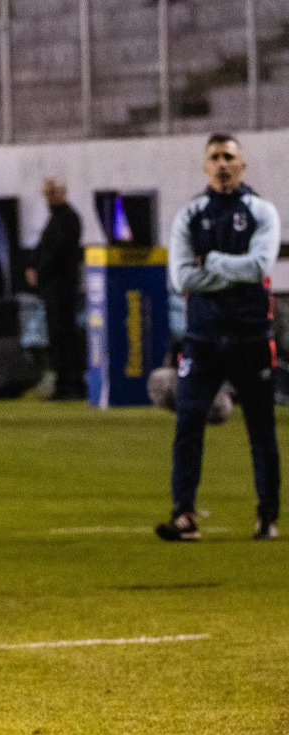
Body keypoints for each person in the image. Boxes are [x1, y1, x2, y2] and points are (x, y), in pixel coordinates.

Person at [157, 133, 281, 543]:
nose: (223, 164)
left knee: (261, 428)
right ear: (205, 166)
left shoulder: (261, 210)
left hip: (250, 336)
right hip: (203, 338)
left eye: (229, 156)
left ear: (242, 164)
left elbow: (260, 265)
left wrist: (209, 261)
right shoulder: (190, 215)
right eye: (215, 157)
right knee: (189, 422)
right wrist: (234, 271)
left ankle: (267, 516)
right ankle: (185, 515)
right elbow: (180, 277)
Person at [27, 178, 84, 400]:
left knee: (64, 335)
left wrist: (39, 270)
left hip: (62, 286)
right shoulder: (58, 219)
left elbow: (56, 251)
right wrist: (33, 265)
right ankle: (64, 382)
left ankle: (71, 384)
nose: (48, 199)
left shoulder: (68, 219)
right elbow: (43, 247)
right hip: (54, 286)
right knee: (58, 336)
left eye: (51, 194)